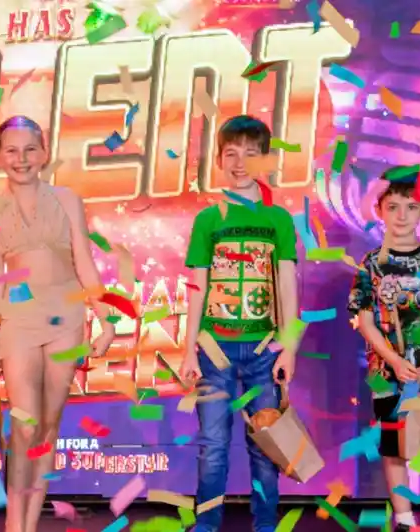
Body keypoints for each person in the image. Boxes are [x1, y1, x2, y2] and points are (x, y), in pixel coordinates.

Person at [0, 116, 115, 532]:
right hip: (18, 320)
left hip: (66, 318)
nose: (21, 159)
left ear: (45, 152)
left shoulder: (68, 199)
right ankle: (13, 524)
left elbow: (84, 262)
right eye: (11, 151)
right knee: (24, 425)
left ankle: (30, 524)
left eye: (30, 149)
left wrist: (105, 319)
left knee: (48, 428)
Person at [179, 115, 299, 532]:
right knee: (213, 444)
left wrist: (289, 347)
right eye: (231, 154)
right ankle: (207, 524)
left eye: (251, 153)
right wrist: (187, 349)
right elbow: (198, 287)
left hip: (264, 351)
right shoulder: (207, 220)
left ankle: (265, 524)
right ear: (218, 160)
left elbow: (287, 285)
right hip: (214, 350)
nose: (240, 163)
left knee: (265, 444)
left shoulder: (278, 219)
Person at [348, 167, 420, 532]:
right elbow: (365, 321)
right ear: (379, 210)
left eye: (411, 207)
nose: (402, 215)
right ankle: (403, 517)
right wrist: (394, 361)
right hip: (387, 372)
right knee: (394, 446)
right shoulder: (370, 265)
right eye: (393, 206)